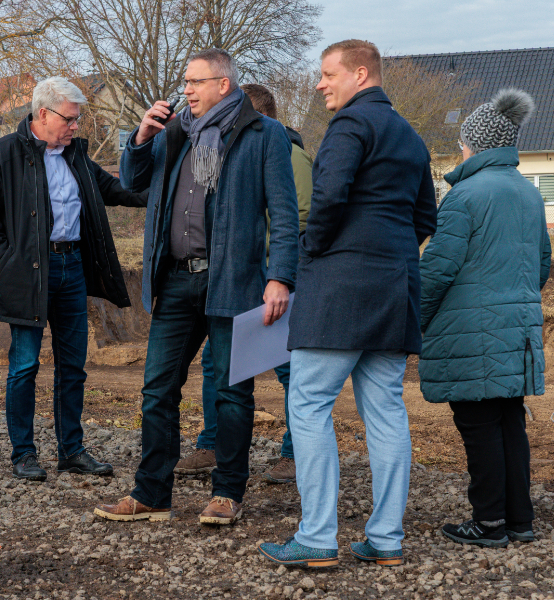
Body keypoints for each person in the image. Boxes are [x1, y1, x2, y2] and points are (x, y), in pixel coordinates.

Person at [93, 49, 299, 525]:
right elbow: (133, 182)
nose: (185, 89)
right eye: (185, 81)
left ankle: (227, 493)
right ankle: (151, 495)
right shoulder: (175, 131)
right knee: (157, 390)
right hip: (175, 280)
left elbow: (285, 213)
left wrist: (280, 277)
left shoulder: (262, 134)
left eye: (195, 81)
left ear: (223, 85)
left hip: (234, 281)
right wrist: (141, 138)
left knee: (232, 392)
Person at [259, 39, 438, 568]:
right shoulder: (410, 136)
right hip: (395, 289)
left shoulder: (350, 125)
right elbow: (425, 218)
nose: (319, 84)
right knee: (385, 412)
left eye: (327, 73)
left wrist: (312, 252)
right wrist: (387, 254)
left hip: (339, 291)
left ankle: (316, 536)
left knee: (308, 405)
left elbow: (328, 198)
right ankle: (385, 539)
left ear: (360, 74)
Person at [0, 76, 145, 482]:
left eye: (77, 119)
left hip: (72, 268)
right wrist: (4, 261)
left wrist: (166, 192)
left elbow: (116, 190)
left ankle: (72, 452)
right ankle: (24, 455)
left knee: (73, 366)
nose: (75, 126)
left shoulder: (76, 156)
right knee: (24, 366)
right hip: (27, 274)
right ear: (43, 114)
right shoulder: (2, 154)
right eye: (70, 119)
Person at [417, 88, 550, 548]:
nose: (460, 151)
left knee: (478, 426)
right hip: (518, 330)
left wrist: (415, 319)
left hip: (470, 333)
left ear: (475, 145)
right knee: (510, 421)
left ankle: (489, 522)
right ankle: (519, 519)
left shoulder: (465, 196)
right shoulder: (529, 193)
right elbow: (542, 264)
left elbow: (437, 270)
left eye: (462, 143)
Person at [175, 82, 312, 485]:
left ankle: (296, 453)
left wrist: (266, 262)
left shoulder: (289, 152)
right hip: (233, 277)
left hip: (269, 277)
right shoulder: (219, 146)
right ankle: (211, 443)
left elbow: (299, 215)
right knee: (217, 362)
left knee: (287, 366)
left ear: (259, 116)